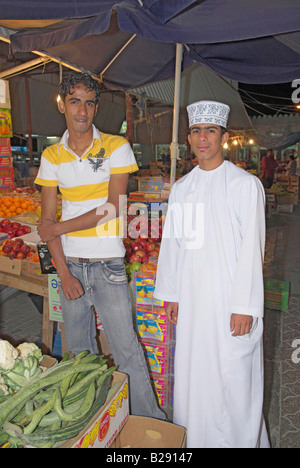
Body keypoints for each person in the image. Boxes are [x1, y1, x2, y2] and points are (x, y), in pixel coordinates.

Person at [35, 72, 166, 420]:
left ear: (95, 107)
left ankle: (150, 425)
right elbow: (46, 223)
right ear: (63, 105)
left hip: (107, 264)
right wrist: (63, 273)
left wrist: (60, 227)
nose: (82, 110)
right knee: (80, 354)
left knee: (127, 350)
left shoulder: (115, 147)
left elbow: (112, 207)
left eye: (89, 102)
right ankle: (92, 422)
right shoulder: (51, 155)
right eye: (75, 101)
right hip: (70, 264)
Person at [154, 100, 270, 448]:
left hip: (230, 302)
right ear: (188, 138)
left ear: (223, 136)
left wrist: (245, 306)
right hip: (193, 302)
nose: (202, 138)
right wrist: (172, 292)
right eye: (195, 131)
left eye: (210, 131)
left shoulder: (244, 186)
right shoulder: (182, 188)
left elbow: (253, 249)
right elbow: (173, 244)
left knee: (234, 384)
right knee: (196, 379)